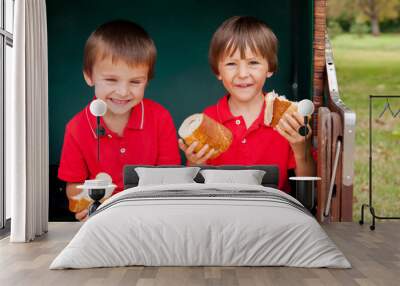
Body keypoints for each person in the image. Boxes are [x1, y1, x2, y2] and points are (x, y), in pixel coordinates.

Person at [59, 20, 180, 221]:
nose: (123, 92)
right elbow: (74, 186)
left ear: (147, 80)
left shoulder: (160, 118)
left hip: (151, 217)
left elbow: (170, 177)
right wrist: (84, 205)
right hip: (102, 219)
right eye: (111, 80)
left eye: (135, 81)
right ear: (89, 76)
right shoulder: (77, 128)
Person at [179, 16, 315, 192]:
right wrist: (195, 162)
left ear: (270, 68)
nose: (242, 74)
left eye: (253, 63)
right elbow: (195, 189)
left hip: (274, 211)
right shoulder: (208, 120)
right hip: (220, 211)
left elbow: (309, 190)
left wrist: (301, 149)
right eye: (231, 64)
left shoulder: (286, 119)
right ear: (217, 70)